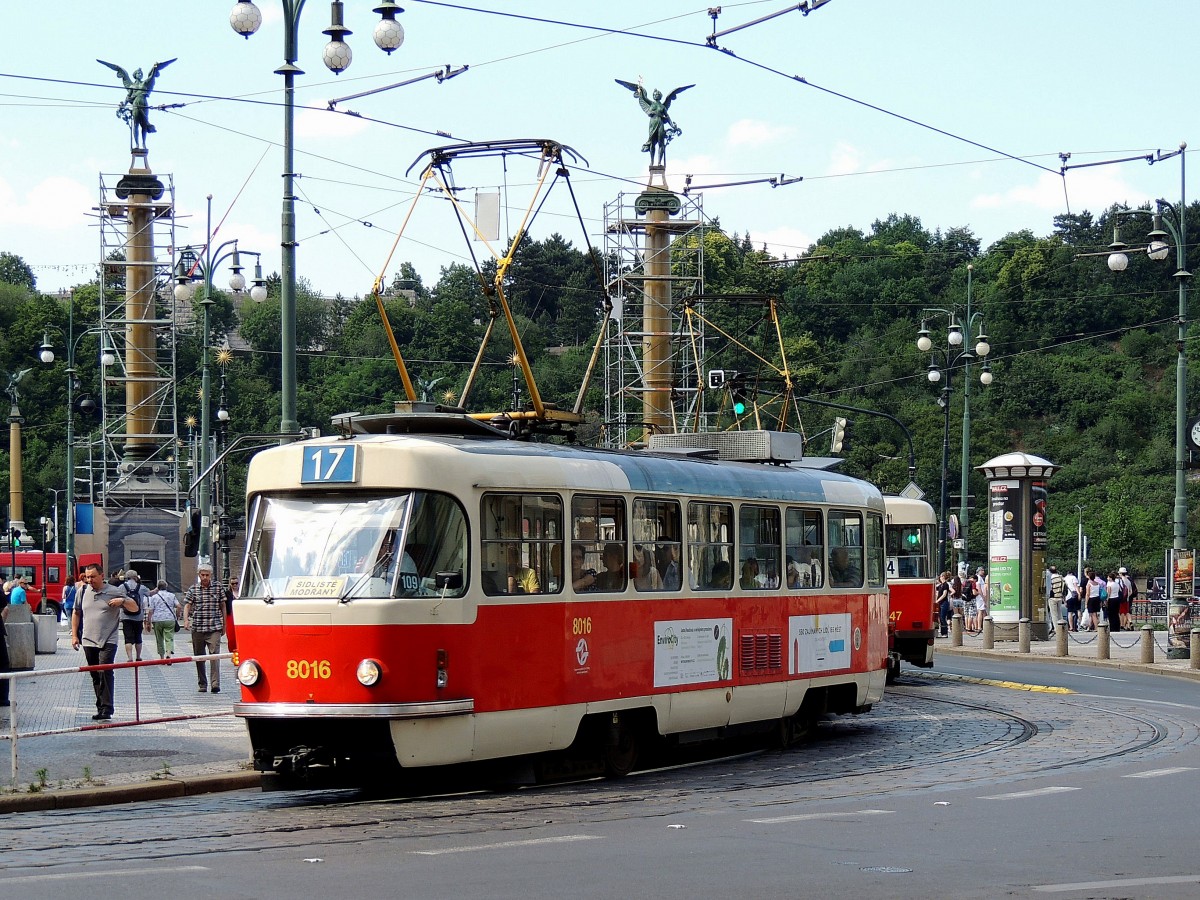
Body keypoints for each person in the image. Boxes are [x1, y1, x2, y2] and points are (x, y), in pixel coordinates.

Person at [71, 562, 139, 721]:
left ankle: (107, 708)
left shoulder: (114, 591)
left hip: (108, 639)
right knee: (95, 674)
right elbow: (76, 612)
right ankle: (101, 707)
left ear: (102, 576)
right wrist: (74, 635)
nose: (90, 580)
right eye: (87, 577)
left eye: (93, 577)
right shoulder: (82, 591)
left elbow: (135, 608)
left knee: (105, 671)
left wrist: (122, 602)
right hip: (88, 639)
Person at [184, 563, 226, 694]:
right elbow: (187, 605)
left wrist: (224, 625)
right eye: (202, 575)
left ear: (211, 575)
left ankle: (215, 684)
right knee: (199, 657)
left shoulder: (218, 587)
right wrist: (186, 620)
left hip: (214, 627)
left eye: (207, 575)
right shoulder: (193, 589)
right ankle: (202, 683)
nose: (205, 578)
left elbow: (223, 606)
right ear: (199, 575)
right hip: (198, 627)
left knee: (215, 656)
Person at [145, 580, 180, 659]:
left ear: (157, 587)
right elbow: (179, 606)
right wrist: (177, 615)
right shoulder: (172, 595)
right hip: (170, 619)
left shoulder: (154, 597)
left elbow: (151, 610)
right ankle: (169, 653)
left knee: (159, 638)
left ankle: (162, 657)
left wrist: (148, 622)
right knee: (169, 637)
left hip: (157, 619)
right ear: (166, 586)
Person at [120, 570, 148, 661]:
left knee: (127, 638)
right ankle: (138, 657)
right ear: (136, 577)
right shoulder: (141, 587)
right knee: (138, 637)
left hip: (125, 616)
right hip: (138, 616)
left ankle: (130, 657)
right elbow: (149, 593)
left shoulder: (122, 587)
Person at [1045, 565, 1064, 637]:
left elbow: (1049, 587)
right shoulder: (1060, 577)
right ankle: (1062, 627)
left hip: (1052, 597)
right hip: (1059, 596)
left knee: (1054, 614)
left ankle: (1056, 629)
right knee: (1059, 613)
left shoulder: (1050, 577)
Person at [935, 571, 951, 637]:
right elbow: (936, 588)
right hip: (940, 603)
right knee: (940, 617)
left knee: (942, 617)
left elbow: (944, 594)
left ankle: (945, 633)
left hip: (944, 603)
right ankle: (942, 632)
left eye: (941, 576)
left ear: (943, 577)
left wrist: (937, 600)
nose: (940, 578)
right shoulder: (941, 585)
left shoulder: (945, 585)